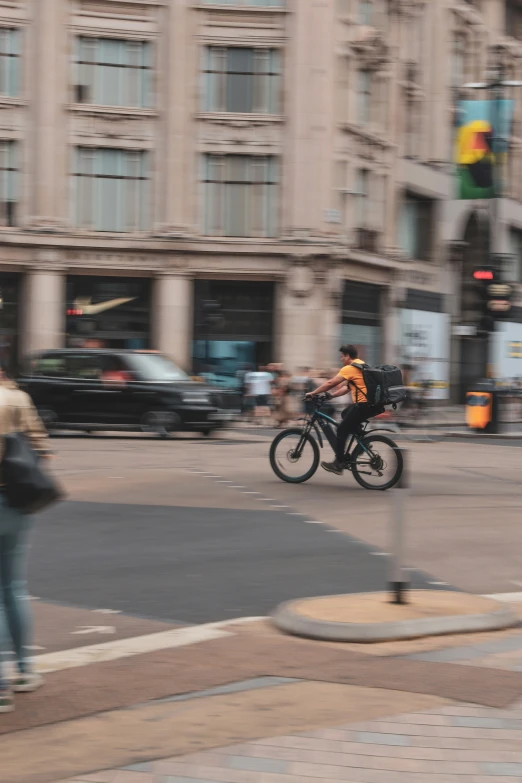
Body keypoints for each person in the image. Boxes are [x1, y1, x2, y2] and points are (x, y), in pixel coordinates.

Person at [0, 365, 51, 713]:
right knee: (13, 587)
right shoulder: (17, 398)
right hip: (13, 502)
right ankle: (24, 671)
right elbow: (41, 449)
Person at [305, 344, 382, 476]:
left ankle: (339, 463)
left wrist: (313, 393)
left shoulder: (350, 368)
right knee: (345, 413)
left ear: (347, 356)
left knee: (341, 429)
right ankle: (363, 442)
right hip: (372, 405)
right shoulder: (362, 365)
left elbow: (330, 383)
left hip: (363, 405)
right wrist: (331, 395)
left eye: (342, 356)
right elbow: (347, 387)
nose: (341, 359)